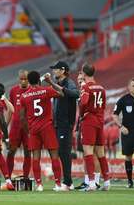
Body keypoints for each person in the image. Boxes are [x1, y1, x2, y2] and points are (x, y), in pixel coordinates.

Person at [20, 71, 64, 191]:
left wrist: (28, 130)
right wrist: (50, 82)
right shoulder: (46, 90)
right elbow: (61, 93)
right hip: (47, 127)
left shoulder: (24, 96)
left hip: (33, 129)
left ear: (28, 81)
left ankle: (39, 184)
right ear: (39, 80)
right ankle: (58, 184)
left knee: (36, 157)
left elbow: (22, 116)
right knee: (54, 155)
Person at [79, 64, 110, 191]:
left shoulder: (86, 87)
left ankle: (91, 183)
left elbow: (84, 103)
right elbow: (103, 106)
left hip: (89, 121)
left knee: (88, 152)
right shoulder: (101, 88)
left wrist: (82, 114)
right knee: (101, 153)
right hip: (99, 121)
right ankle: (107, 182)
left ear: (84, 74)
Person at [50, 61, 79, 190]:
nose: (54, 71)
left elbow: (76, 94)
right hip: (58, 123)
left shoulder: (69, 83)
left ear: (62, 70)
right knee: (62, 152)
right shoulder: (60, 84)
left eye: (56, 69)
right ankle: (68, 181)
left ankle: (68, 182)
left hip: (65, 123)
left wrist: (61, 89)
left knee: (64, 152)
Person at [75, 72, 102, 190]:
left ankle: (95, 181)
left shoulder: (88, 90)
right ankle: (87, 181)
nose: (80, 81)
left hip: (90, 123)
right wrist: (77, 127)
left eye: (82, 79)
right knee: (86, 154)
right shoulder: (81, 91)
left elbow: (85, 108)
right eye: (79, 80)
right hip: (83, 124)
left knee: (93, 154)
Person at [6, 70, 31, 179]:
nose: (23, 81)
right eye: (21, 79)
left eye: (25, 79)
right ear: (19, 79)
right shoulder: (13, 91)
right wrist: (5, 125)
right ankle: (8, 177)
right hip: (15, 127)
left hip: (28, 127)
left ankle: (25, 177)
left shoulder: (33, 90)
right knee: (11, 151)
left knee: (28, 152)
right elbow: (11, 109)